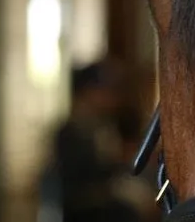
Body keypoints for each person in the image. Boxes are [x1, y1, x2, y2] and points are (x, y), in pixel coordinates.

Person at [49, 59, 143, 222]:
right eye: (104, 91)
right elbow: (77, 184)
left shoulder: (107, 124)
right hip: (85, 209)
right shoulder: (71, 131)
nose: (111, 98)